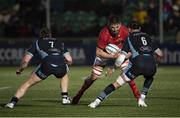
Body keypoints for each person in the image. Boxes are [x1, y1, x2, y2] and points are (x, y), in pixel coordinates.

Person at [88, 22, 163, 108]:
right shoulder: (148, 36)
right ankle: (142, 99)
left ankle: (96, 102)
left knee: (117, 84)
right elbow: (160, 54)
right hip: (151, 63)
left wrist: (113, 68)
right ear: (140, 28)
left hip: (138, 64)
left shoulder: (129, 37)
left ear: (129, 29)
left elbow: (121, 58)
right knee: (150, 77)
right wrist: (156, 64)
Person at [72, 15, 140, 104]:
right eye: (112, 27)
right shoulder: (104, 33)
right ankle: (79, 95)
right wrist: (113, 56)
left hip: (120, 52)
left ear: (120, 24)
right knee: (94, 77)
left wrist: (123, 56)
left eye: (117, 27)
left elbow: (132, 49)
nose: (115, 29)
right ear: (108, 25)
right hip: (105, 53)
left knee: (127, 74)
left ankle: (138, 97)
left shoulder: (125, 31)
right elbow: (98, 52)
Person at [5, 28, 72, 109]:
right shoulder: (60, 42)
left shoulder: (37, 43)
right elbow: (69, 60)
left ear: (40, 35)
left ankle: (12, 103)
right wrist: (66, 66)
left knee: (28, 83)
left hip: (46, 65)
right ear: (50, 35)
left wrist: (20, 69)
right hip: (60, 64)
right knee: (64, 73)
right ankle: (65, 98)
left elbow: (26, 61)